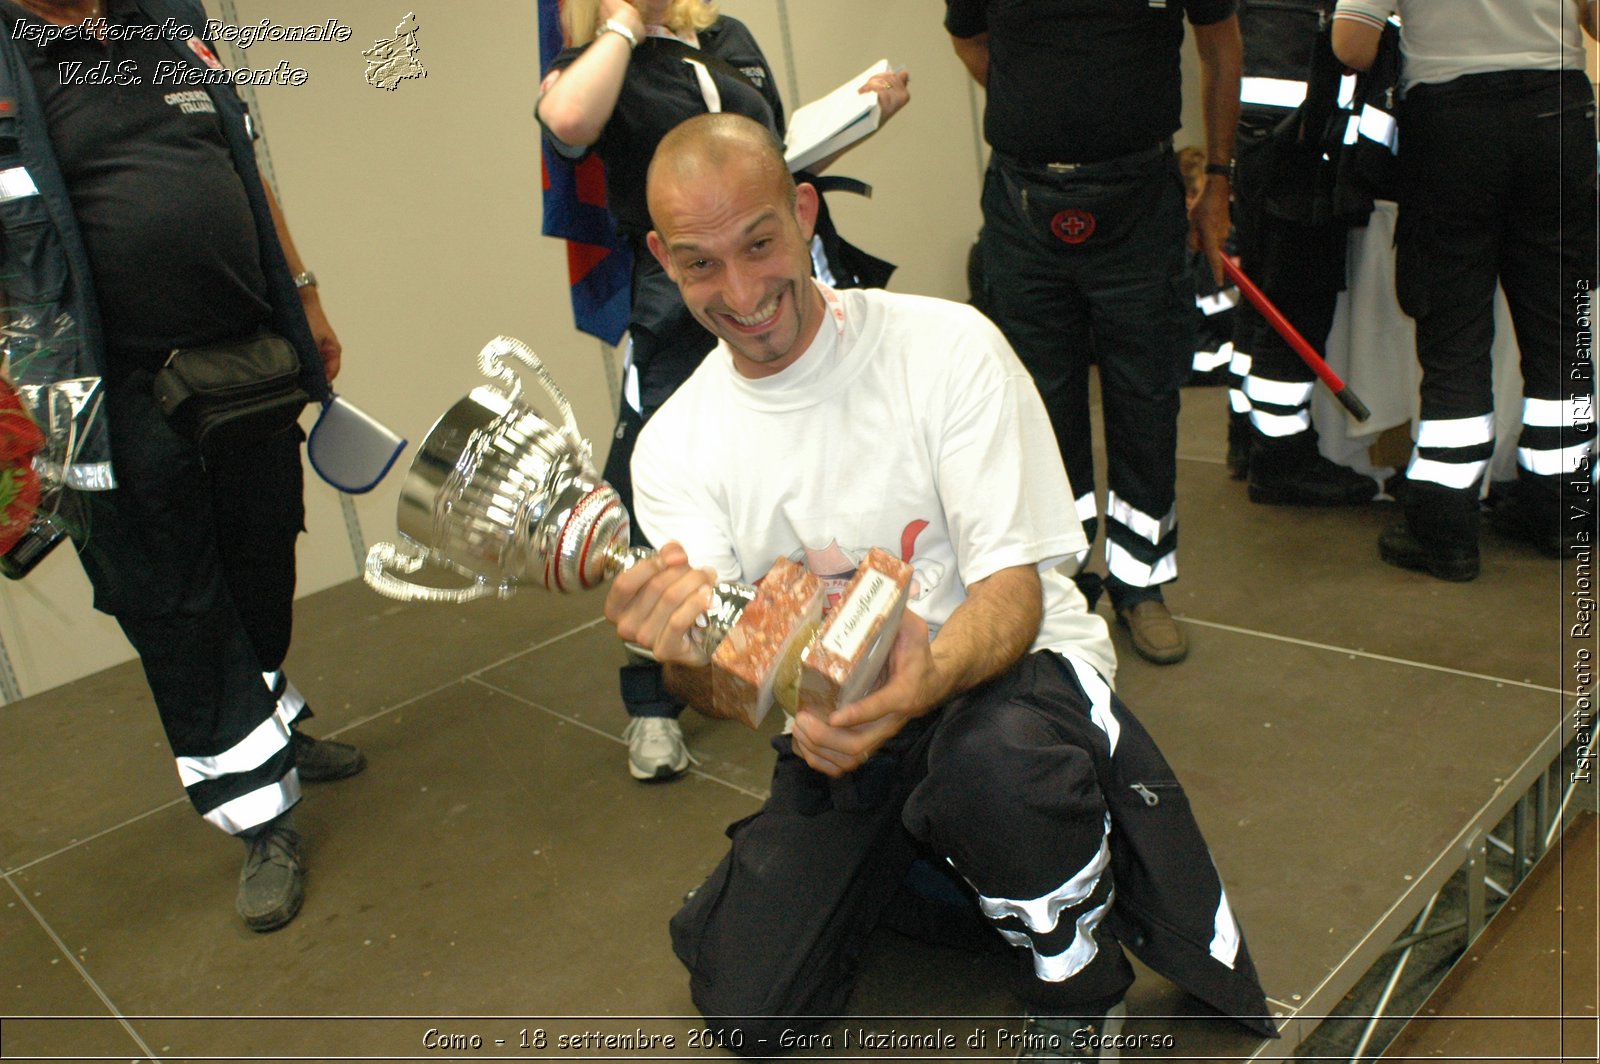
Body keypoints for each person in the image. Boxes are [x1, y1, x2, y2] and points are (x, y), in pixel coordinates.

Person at [605, 113, 1275, 1059]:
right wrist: (684, 663)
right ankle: (961, 862)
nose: (743, 291)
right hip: (846, 737)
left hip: (1007, 685)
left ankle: (1076, 976)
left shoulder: (945, 349)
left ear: (804, 213)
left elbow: (1014, 595)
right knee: (752, 1005)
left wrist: (918, 682)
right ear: (662, 262)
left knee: (992, 765)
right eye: (700, 264)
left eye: (759, 244)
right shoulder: (674, 444)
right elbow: (735, 679)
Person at [0, 0, 364, 932]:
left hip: (239, 359)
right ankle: (261, 817)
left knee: (258, 560)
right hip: (101, 399)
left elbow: (245, 169)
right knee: (174, 603)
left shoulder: (166, 19)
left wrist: (306, 296)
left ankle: (271, 728)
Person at [537, 0, 907, 781]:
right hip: (679, 304)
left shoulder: (725, 37)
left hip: (778, 273)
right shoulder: (603, 60)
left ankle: (841, 629)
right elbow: (568, 120)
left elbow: (766, 146)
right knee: (651, 501)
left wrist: (853, 111)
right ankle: (651, 702)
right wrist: (623, 27)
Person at [946, 0, 1243, 667]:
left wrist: (1219, 179)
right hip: (1026, 205)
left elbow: (1222, 48)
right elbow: (970, 42)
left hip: (1140, 197)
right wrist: (1049, 108)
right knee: (1039, 410)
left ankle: (1142, 583)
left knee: (1146, 399)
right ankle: (1061, 584)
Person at [1333, 0, 1598, 579]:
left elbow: (1351, 45)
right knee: (1561, 326)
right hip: (1557, 112)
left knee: (1454, 333)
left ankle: (1445, 528)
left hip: (1453, 122)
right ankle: (1561, 513)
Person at [1226, 0, 1380, 505]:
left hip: (1263, 135)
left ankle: (1249, 439)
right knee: (1295, 304)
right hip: (1304, 141)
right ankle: (1282, 457)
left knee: (1262, 300)